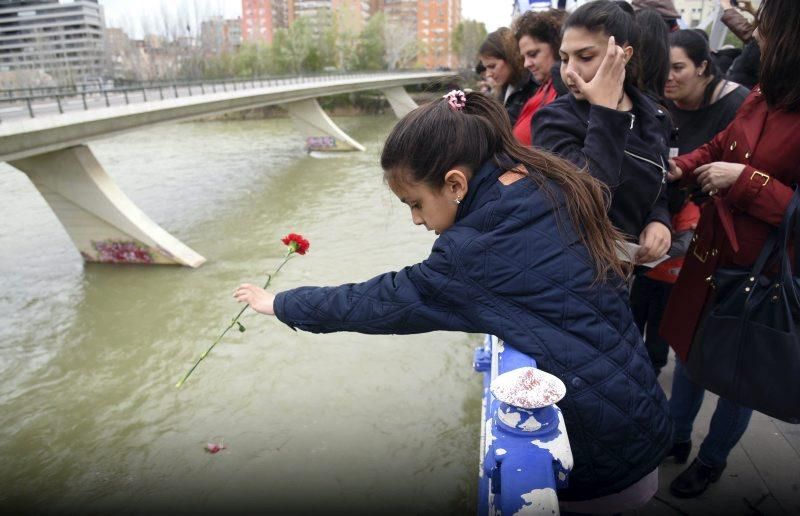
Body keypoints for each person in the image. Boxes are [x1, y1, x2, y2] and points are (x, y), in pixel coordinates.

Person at [235, 90, 673, 510]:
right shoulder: (541, 178)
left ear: (455, 183)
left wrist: (281, 303)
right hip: (640, 415)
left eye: (416, 204)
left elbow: (380, 301)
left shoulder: (472, 250)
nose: (416, 220)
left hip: (596, 457)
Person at [661, 0, 800, 498]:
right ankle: (673, 438)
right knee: (692, 354)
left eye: (768, 28)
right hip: (711, 255)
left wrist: (748, 182)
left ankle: (712, 459)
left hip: (759, 272)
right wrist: (686, 165)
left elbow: (748, 174)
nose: (758, 36)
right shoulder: (765, 91)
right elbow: (724, 144)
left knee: (738, 373)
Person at [631, 29, 749, 377]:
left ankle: (656, 372)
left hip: (709, 232)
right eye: (664, 67)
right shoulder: (662, 105)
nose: (669, 77)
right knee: (642, 298)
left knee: (676, 315)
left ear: (702, 67)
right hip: (659, 217)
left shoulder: (737, 105)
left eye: (678, 67)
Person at [533, 0, 672, 265]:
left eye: (585, 57)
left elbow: (660, 184)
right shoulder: (553, 119)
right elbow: (586, 196)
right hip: (579, 271)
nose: (570, 71)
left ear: (623, 55)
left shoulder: (654, 115)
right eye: (564, 59)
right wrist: (606, 112)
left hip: (640, 271)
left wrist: (659, 220)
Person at [511, 8, 565, 145]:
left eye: (533, 54)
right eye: (524, 57)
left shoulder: (565, 88)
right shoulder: (544, 86)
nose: (526, 64)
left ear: (555, 46)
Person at [479, 27, 537, 126]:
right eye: (486, 68)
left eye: (492, 66)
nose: (488, 74)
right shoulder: (506, 87)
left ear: (510, 59)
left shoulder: (531, 88)